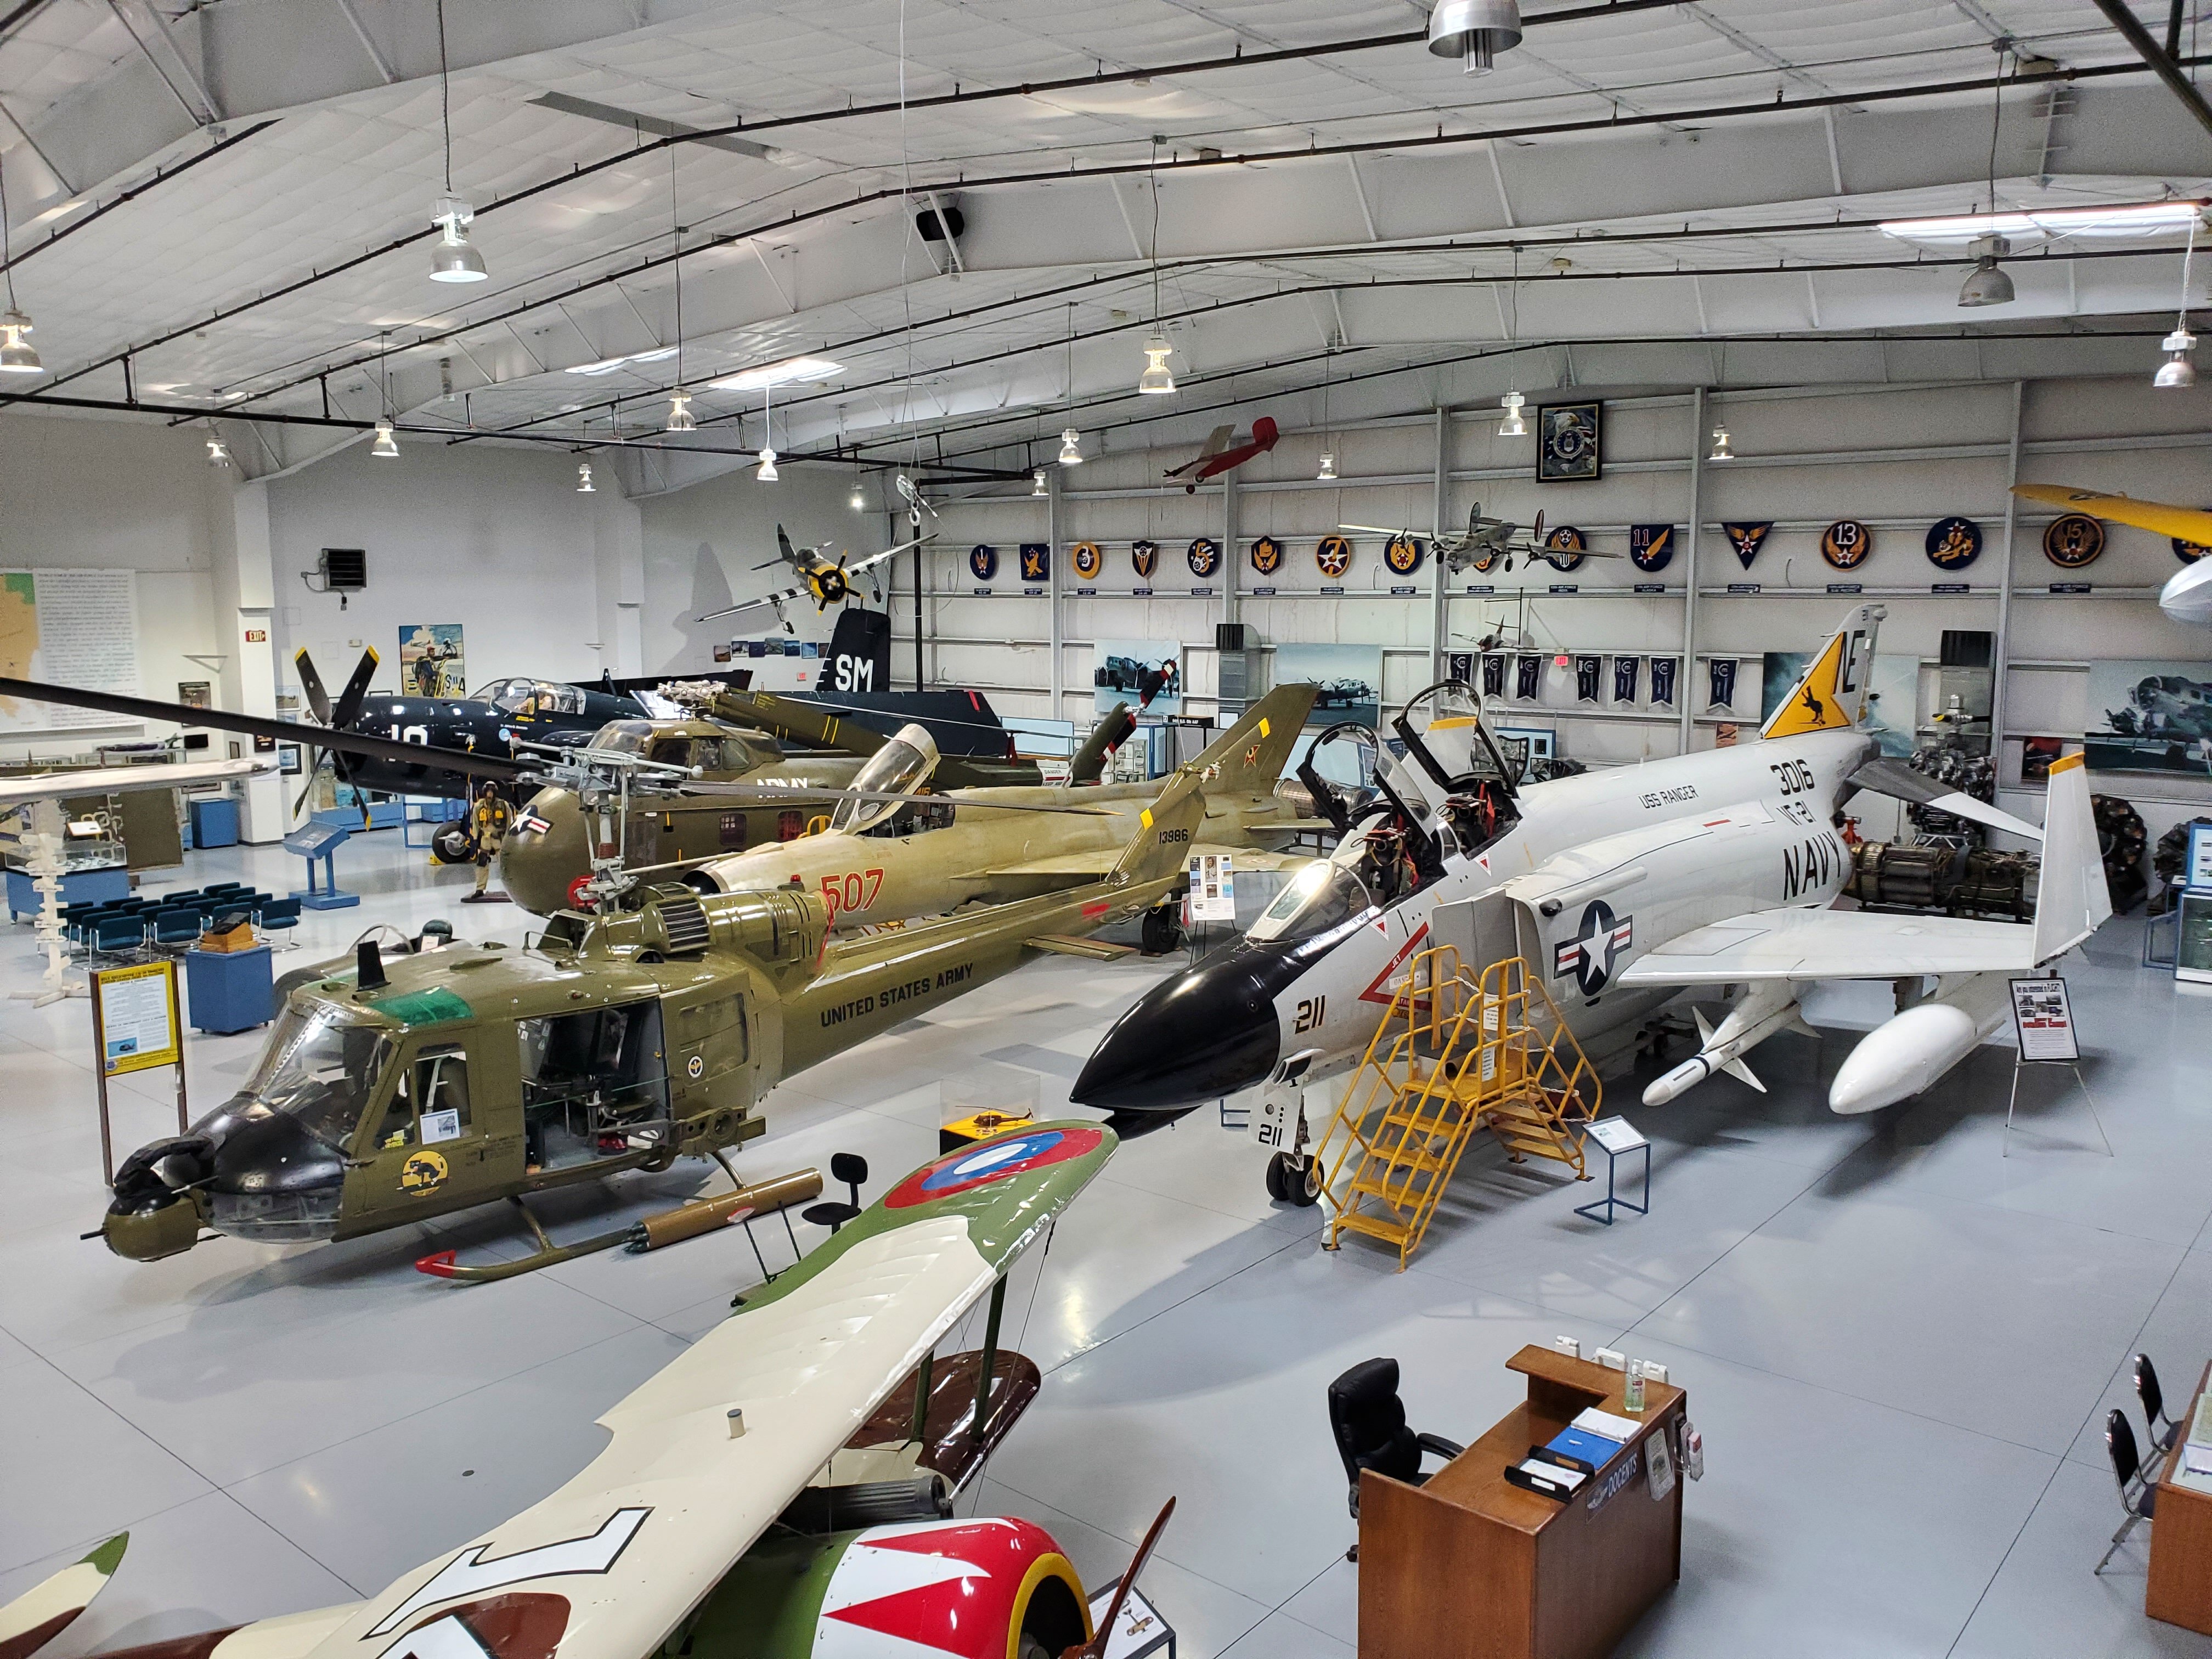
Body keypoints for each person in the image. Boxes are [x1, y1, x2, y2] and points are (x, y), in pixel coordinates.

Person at [464, 783, 512, 903]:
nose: (490, 794)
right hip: (485, 839)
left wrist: (509, 838)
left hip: (499, 839)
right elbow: (475, 823)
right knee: (482, 864)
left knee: (505, 865)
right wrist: (475, 839)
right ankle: (480, 889)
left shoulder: (503, 805)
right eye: (488, 791)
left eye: (492, 791)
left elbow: (509, 823)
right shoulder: (479, 806)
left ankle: (511, 889)